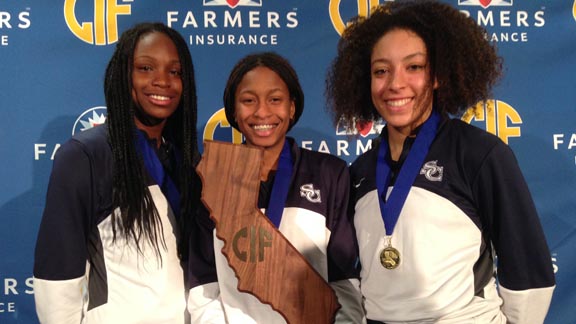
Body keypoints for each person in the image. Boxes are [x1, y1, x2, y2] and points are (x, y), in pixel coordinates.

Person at [325, 1, 556, 323]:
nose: (395, 83)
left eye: (414, 67)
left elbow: (530, 272)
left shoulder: (479, 154)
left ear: (438, 76)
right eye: (381, 70)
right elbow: (347, 275)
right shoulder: (361, 171)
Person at [33, 22, 200, 324]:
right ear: (123, 75)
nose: (163, 81)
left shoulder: (185, 160)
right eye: (146, 68)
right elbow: (56, 278)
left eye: (175, 72)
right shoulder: (84, 156)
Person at [188, 52, 364, 323]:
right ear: (233, 110)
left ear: (291, 107)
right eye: (248, 100)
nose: (262, 112)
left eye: (275, 99)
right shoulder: (212, 180)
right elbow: (203, 287)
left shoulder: (328, 174)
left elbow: (344, 281)